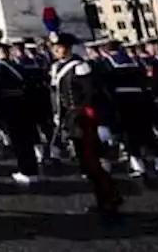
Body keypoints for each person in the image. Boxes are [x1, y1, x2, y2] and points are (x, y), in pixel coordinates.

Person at [47, 32, 122, 216]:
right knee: (85, 163)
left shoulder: (80, 67)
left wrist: (98, 120)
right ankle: (105, 198)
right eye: (54, 47)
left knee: (92, 161)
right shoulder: (56, 67)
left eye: (60, 46)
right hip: (70, 119)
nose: (57, 50)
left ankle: (109, 198)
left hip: (83, 119)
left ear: (69, 48)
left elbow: (92, 94)